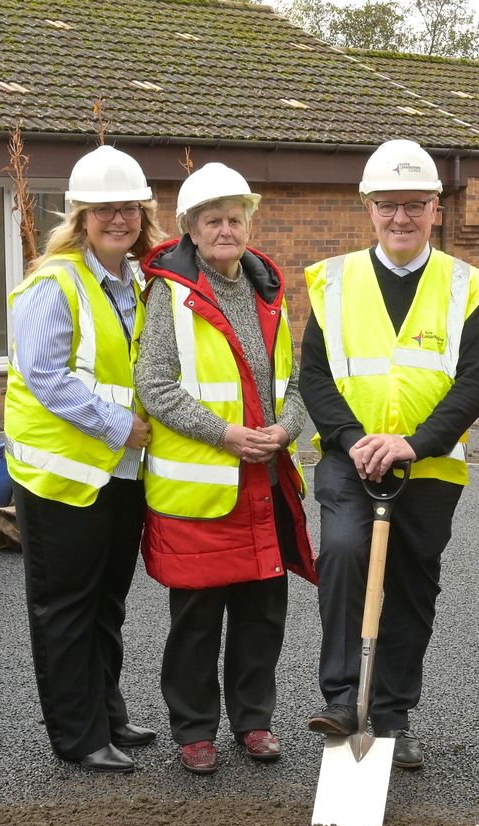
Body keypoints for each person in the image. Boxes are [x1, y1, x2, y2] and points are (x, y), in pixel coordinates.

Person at [299, 139, 479, 769]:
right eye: (388, 206)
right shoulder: (332, 280)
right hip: (349, 458)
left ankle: (392, 715)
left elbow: (475, 382)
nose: (401, 218)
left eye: (414, 205)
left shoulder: (468, 287)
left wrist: (414, 443)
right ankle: (343, 698)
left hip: (429, 464)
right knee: (348, 553)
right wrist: (356, 440)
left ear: (436, 208)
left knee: (411, 584)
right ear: (369, 208)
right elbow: (317, 378)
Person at [135, 162, 317, 775]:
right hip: (202, 489)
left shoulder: (268, 288)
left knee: (263, 613)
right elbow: (155, 385)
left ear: (248, 223)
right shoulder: (170, 293)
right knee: (196, 620)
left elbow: (294, 381)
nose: (225, 229)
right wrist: (225, 435)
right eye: (212, 219)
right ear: (189, 228)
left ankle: (253, 721)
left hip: (264, 480)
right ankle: (193, 730)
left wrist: (288, 427)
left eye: (235, 218)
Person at [6, 145, 165, 772]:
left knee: (107, 601)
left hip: (120, 473)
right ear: (80, 216)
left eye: (128, 208)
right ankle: (78, 736)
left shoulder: (140, 280)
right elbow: (45, 376)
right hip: (61, 475)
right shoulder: (53, 282)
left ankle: (109, 713)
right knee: (66, 606)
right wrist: (119, 426)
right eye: (104, 210)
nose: (118, 219)